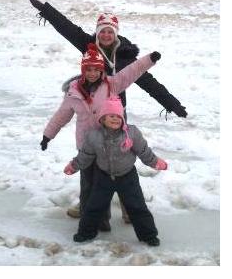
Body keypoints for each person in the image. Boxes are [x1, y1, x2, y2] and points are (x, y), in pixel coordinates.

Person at [24, 0, 187, 219]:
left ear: (116, 34)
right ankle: (87, 205)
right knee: (88, 160)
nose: (106, 35)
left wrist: (173, 104)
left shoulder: (126, 58)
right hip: (91, 114)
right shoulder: (89, 47)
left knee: (123, 161)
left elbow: (149, 82)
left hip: (117, 117)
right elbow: (67, 28)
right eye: (103, 31)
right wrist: (44, 9)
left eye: (110, 31)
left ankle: (129, 208)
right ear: (98, 33)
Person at [40, 43, 161, 231]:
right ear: (83, 70)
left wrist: (149, 59)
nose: (92, 73)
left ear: (101, 70)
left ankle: (113, 216)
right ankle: (94, 221)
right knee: (88, 184)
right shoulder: (73, 92)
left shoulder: (111, 84)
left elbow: (131, 71)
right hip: (86, 146)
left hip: (109, 144)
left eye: (96, 70)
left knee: (104, 187)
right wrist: (48, 135)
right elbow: (61, 115)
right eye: (88, 70)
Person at [64, 96, 167, 246]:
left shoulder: (131, 133)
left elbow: (143, 151)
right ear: (102, 119)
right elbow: (86, 155)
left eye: (118, 116)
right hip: (103, 176)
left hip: (127, 176)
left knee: (137, 207)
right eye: (111, 116)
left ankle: (149, 236)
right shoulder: (94, 136)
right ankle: (85, 233)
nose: (116, 119)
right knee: (94, 206)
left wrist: (155, 162)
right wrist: (74, 165)